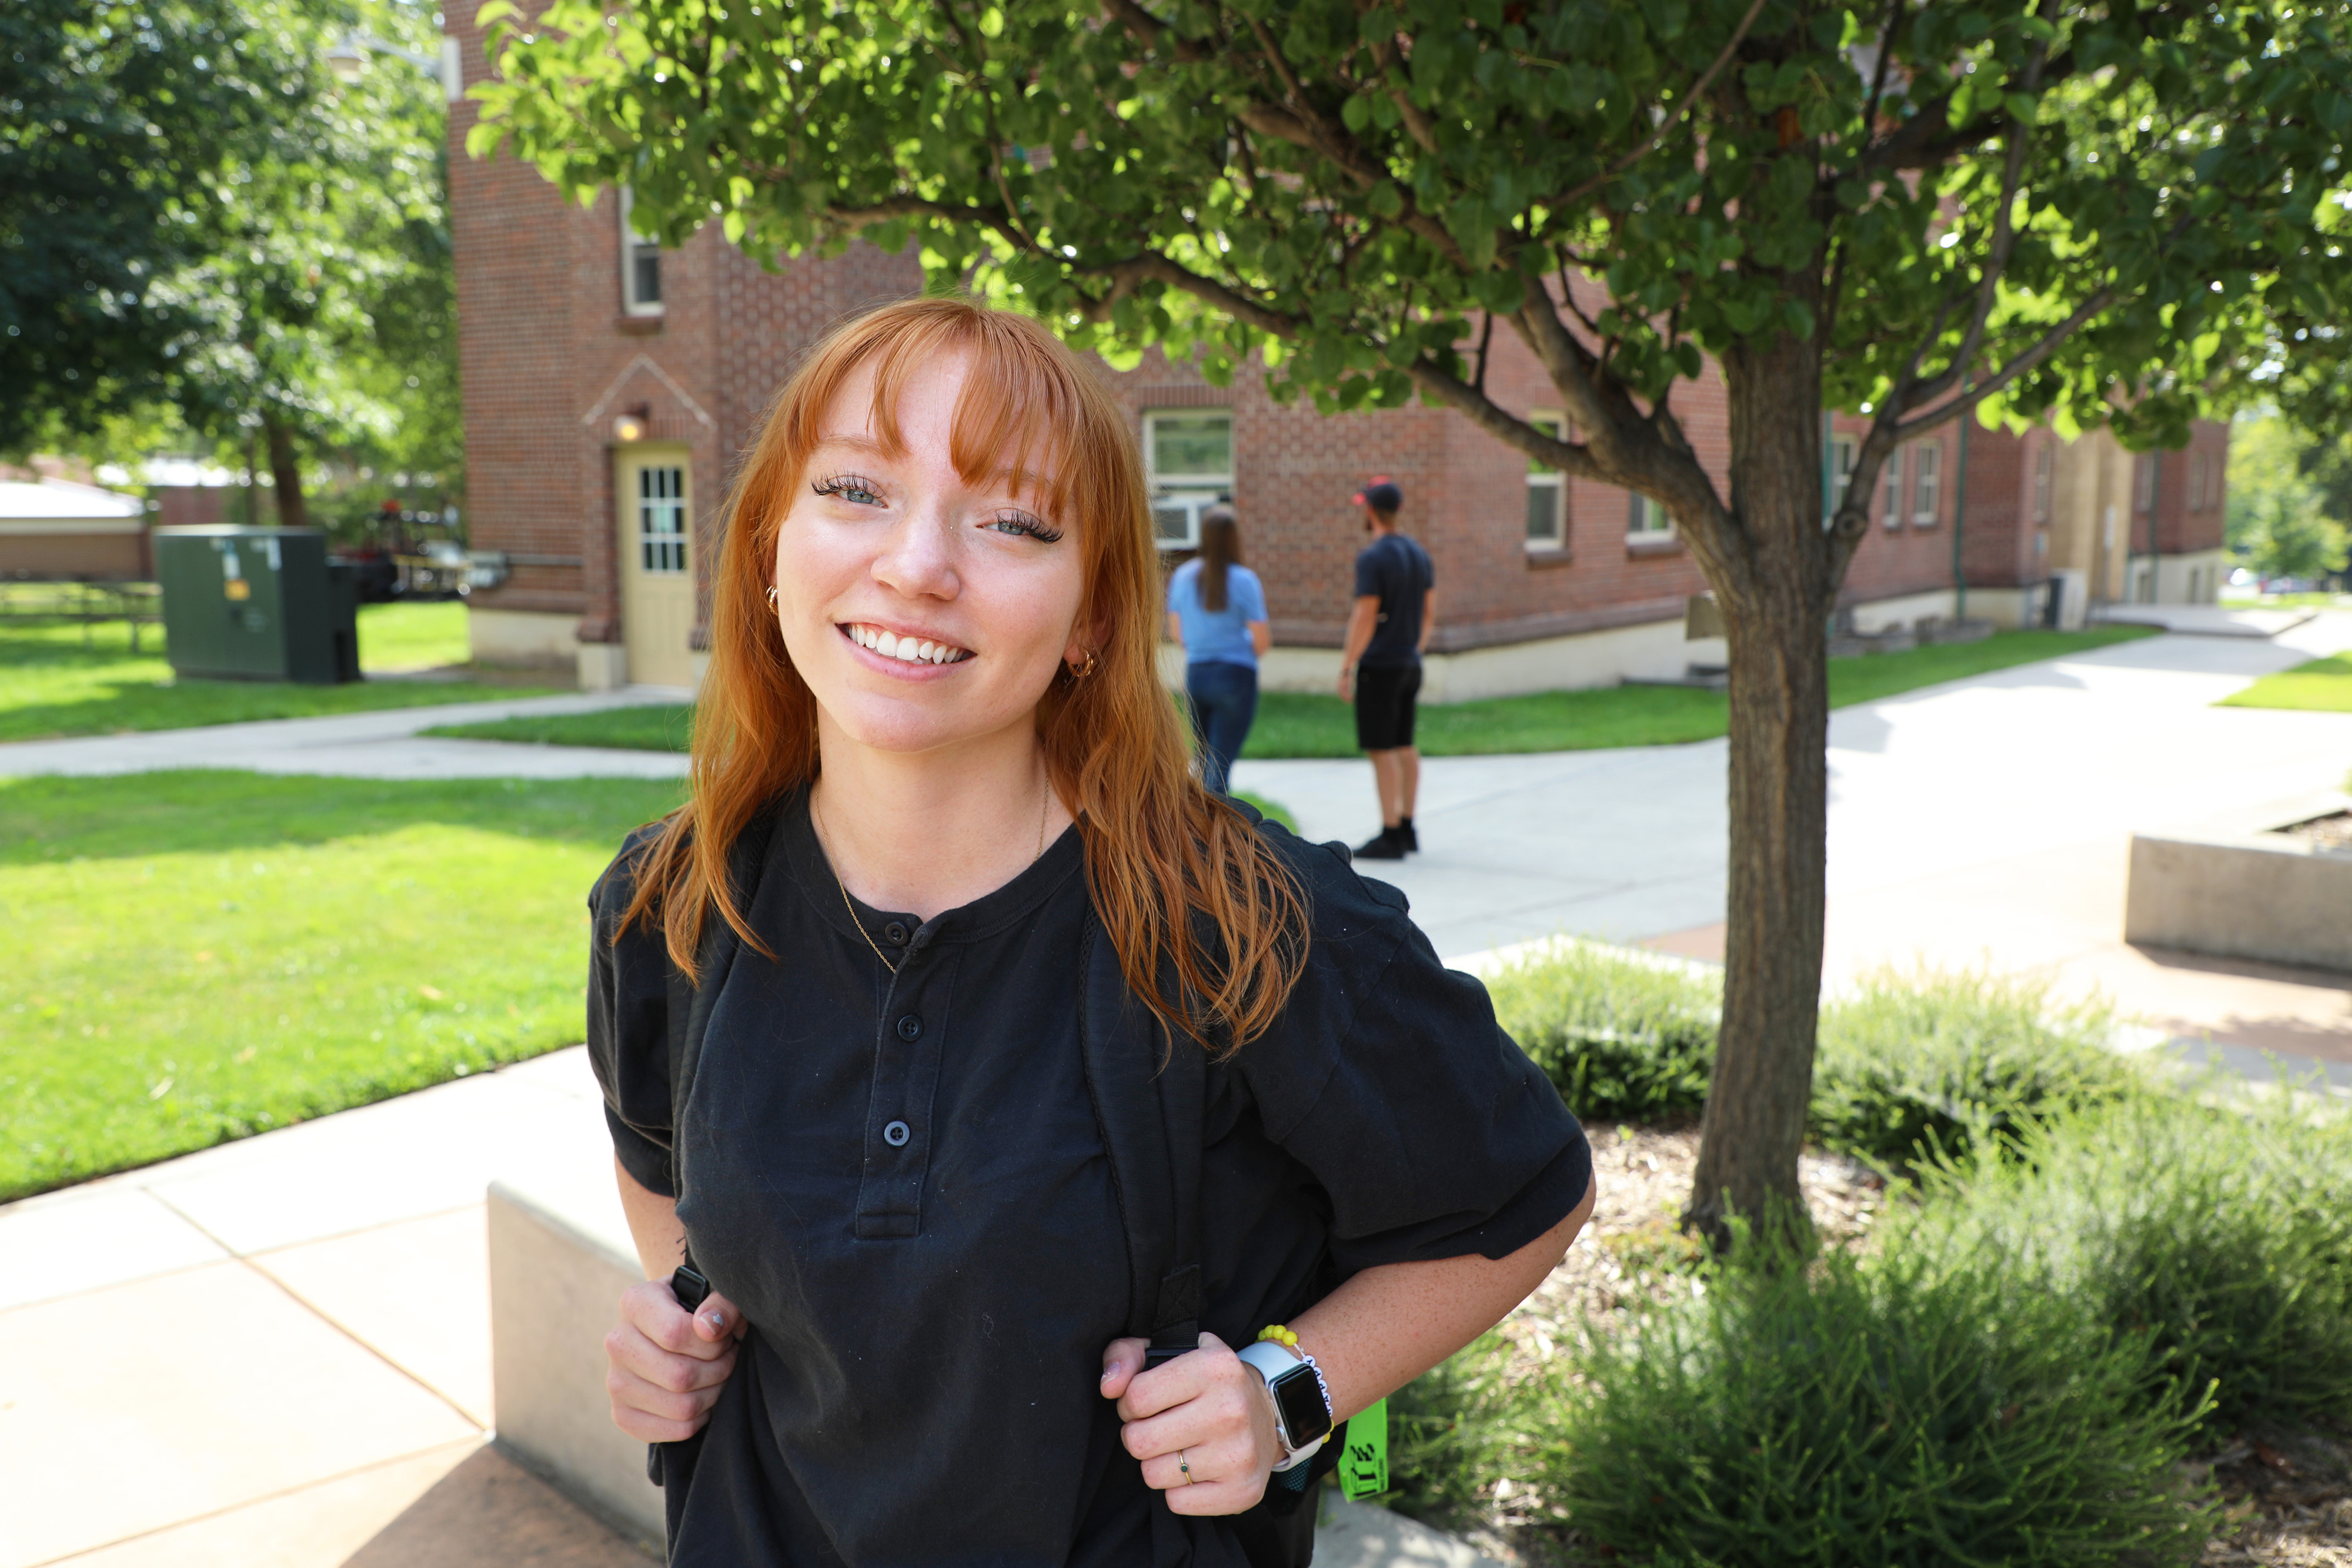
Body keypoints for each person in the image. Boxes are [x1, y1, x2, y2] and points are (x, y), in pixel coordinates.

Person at [587, 299, 1595, 1568]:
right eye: (854, 488)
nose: (916, 564)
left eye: (1011, 518)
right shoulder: (667, 905)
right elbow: (652, 1155)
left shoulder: (1244, 925)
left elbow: (1522, 1196)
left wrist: (1288, 1391)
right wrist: (690, 1314)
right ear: (768, 551)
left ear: (1093, 620)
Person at [1336, 477, 1434, 860]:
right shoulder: (1419, 554)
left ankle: (1390, 833)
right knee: (1405, 746)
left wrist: (1347, 666)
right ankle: (1408, 827)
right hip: (1410, 663)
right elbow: (1429, 612)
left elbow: (1365, 615)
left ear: (1371, 511)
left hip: (1380, 665)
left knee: (1382, 751)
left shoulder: (1373, 557)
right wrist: (1414, 649)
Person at [1166, 504, 1270, 795]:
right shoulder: (1245, 580)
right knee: (1220, 771)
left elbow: (1177, 635)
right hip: (1236, 677)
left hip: (1197, 676)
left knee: (1204, 764)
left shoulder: (1183, 576)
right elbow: (1261, 642)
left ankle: (1196, 833)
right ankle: (1215, 838)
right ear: (1234, 537)